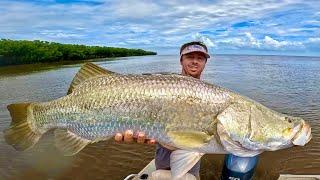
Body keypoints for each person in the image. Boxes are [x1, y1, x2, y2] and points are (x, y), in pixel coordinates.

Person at [115, 41, 211, 179]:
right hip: (163, 156)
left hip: (192, 159)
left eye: (200, 58)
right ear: (181, 60)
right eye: (190, 57)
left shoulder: (209, 95)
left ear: (205, 62)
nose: (195, 61)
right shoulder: (163, 87)